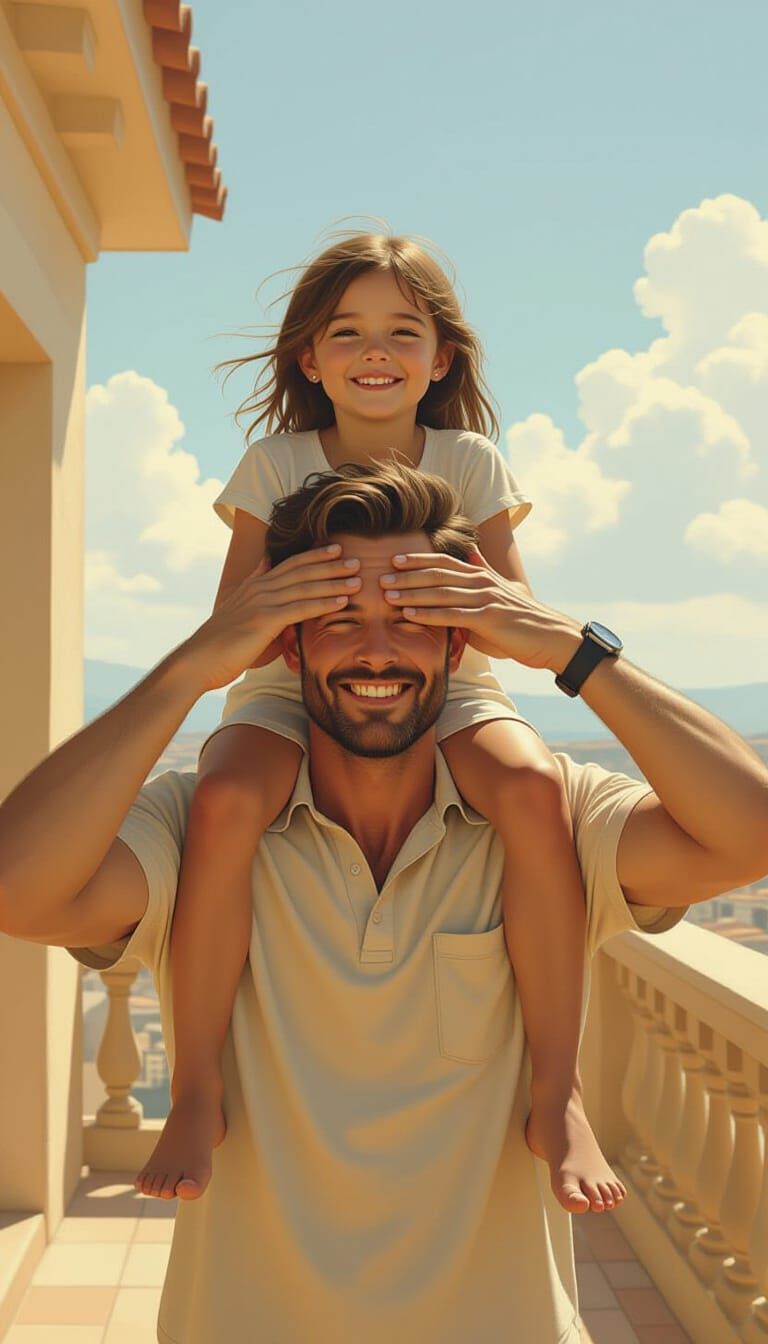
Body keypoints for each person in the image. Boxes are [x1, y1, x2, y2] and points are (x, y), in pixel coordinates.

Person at [2, 461, 767, 1344]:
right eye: (339, 621)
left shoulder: (549, 819)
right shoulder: (200, 825)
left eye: (411, 621)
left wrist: (571, 647)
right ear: (289, 647)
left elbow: (748, 833)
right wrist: (191, 667)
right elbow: (19, 890)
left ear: (456, 646)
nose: (375, 652)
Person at [133, 230, 622, 1214]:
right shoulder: (274, 463)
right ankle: (195, 1091)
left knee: (533, 789)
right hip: (290, 685)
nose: (375, 351)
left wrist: (447, 606)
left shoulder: (470, 460)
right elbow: (236, 632)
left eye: (403, 331)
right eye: (347, 331)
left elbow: (514, 617)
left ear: (441, 359)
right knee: (225, 799)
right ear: (309, 358)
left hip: (454, 682)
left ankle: (559, 1092)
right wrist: (303, 609)